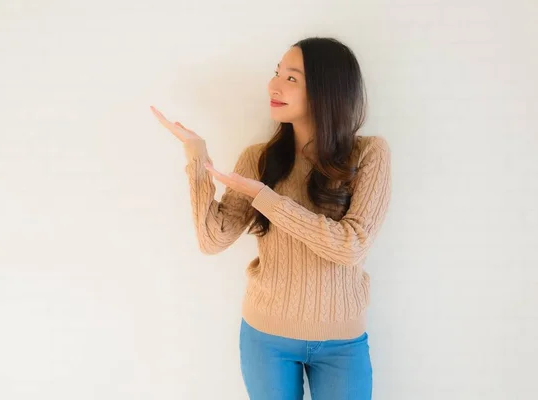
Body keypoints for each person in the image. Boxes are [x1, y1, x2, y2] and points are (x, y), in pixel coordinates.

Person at [151, 36, 391, 400]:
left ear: (327, 90)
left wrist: (266, 198)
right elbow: (213, 240)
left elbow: (351, 246)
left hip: (342, 342)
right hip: (266, 336)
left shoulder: (369, 154)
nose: (273, 85)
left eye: (291, 78)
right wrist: (196, 158)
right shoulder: (259, 159)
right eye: (277, 73)